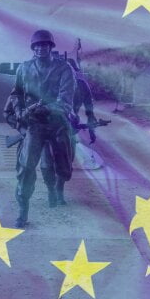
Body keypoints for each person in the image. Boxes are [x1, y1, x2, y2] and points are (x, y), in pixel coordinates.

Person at [4, 30, 75, 228]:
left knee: (64, 166)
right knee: (26, 167)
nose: (41, 48)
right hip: (34, 124)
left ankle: (55, 190)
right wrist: (19, 110)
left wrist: (47, 108)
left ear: (51, 47)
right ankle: (23, 211)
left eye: (45, 45)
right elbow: (16, 93)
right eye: (37, 45)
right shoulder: (24, 68)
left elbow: (66, 100)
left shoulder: (64, 69)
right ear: (33, 48)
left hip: (56, 122)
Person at [37, 58, 98, 207]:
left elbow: (90, 110)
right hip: (48, 127)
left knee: (65, 164)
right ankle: (51, 190)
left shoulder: (82, 85)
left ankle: (59, 189)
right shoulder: (51, 84)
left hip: (68, 129)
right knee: (46, 162)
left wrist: (91, 129)